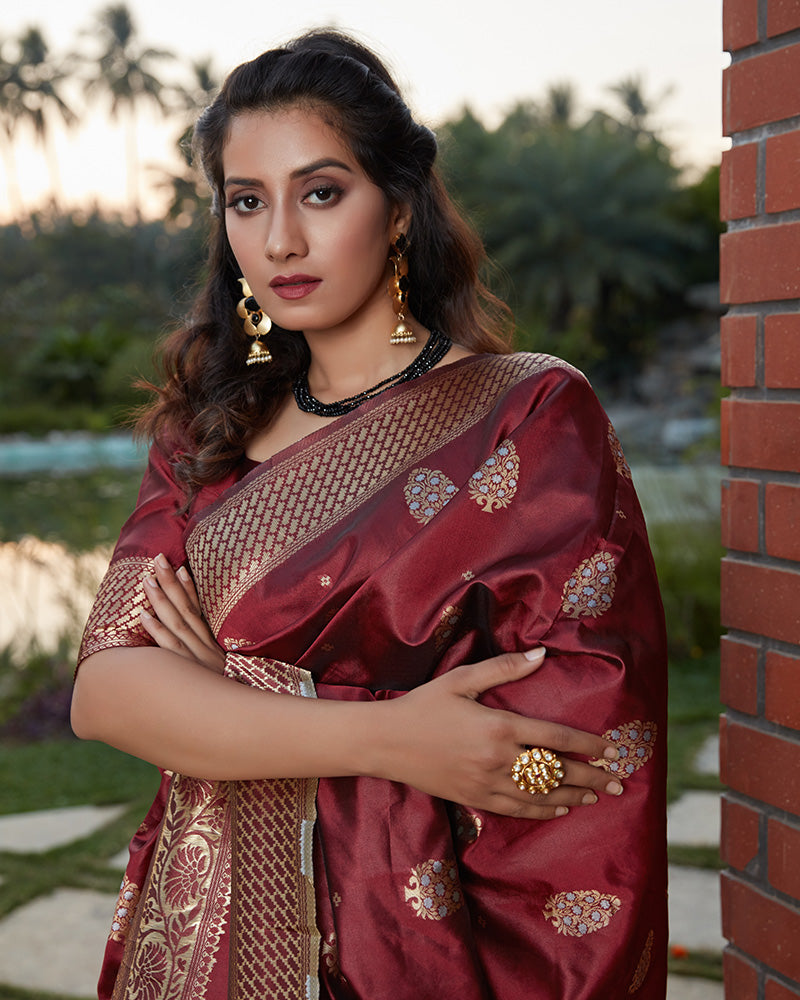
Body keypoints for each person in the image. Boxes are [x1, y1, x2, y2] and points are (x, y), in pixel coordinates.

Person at [71, 29, 668, 1000]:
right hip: (195, 949)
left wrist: (218, 691)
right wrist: (393, 735)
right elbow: (107, 695)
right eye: (245, 202)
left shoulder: (523, 417)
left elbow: (564, 763)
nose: (279, 243)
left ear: (396, 207)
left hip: (404, 953)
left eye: (320, 192)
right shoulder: (205, 426)